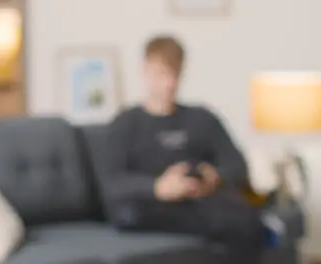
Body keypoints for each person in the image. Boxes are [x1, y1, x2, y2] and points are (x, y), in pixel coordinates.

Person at [105, 35, 264, 264]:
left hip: (199, 201)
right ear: (145, 71)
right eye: (162, 74)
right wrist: (158, 187)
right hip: (148, 207)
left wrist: (212, 176)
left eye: (175, 74)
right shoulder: (125, 124)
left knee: (246, 218)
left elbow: (237, 165)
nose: (170, 83)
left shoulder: (202, 118)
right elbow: (113, 183)